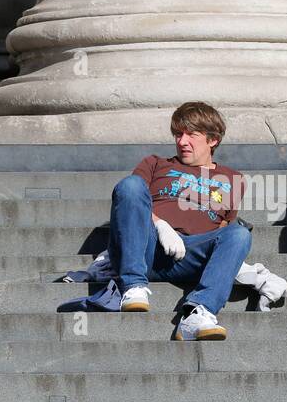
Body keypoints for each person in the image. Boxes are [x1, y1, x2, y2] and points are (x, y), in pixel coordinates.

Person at [108, 102, 252, 340]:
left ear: (212, 140)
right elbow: (130, 202)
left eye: (191, 135)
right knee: (130, 184)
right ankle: (133, 285)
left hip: (190, 255)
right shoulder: (154, 164)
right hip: (146, 247)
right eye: (178, 134)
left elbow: (224, 226)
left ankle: (199, 311)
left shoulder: (233, 179)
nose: (182, 141)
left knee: (239, 233)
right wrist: (160, 225)